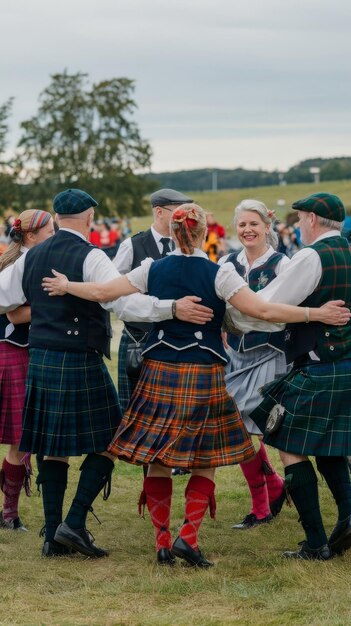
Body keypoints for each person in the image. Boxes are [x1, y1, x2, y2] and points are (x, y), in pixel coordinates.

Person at [42, 202, 349, 567]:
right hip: (203, 372)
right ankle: (188, 539)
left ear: (172, 232)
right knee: (204, 459)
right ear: (206, 232)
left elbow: (103, 293)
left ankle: (162, 543)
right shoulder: (219, 273)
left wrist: (66, 285)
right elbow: (262, 312)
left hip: (158, 370)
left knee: (157, 456)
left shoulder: (151, 267)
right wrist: (316, 314)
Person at [0, 189, 214, 558]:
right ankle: (74, 523)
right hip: (80, 357)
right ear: (87, 217)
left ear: (56, 217)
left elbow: (4, 299)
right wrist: (171, 308)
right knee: (113, 442)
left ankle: (53, 537)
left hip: (41, 358)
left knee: (53, 449)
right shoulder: (91, 254)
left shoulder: (31, 256)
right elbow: (120, 300)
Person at [231, 192, 351, 560]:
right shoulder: (348, 250)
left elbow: (266, 307)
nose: (298, 225)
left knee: (288, 444)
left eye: (300, 218)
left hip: (317, 363)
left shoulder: (311, 257)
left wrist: (232, 313)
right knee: (331, 449)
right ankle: (348, 517)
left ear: (312, 219)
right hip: (345, 363)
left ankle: (315, 543)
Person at [219, 199, 290, 529]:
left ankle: (271, 497)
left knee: (266, 427)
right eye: (242, 224)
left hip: (270, 354)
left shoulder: (281, 264)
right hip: (235, 355)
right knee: (236, 427)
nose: (247, 230)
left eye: (253, 224)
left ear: (266, 227)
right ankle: (268, 494)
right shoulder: (227, 262)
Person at [112, 188, 193, 414]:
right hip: (138, 339)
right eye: (179, 212)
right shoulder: (132, 245)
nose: (184, 218)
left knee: (173, 409)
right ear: (159, 212)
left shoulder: (188, 246)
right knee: (133, 409)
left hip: (178, 338)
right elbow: (114, 292)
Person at [0, 209, 55, 531]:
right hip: (12, 352)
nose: (54, 237)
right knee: (21, 438)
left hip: (18, 352)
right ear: (31, 237)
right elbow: (17, 316)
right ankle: (9, 513)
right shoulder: (20, 264)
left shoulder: (20, 259)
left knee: (22, 439)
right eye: (50, 232)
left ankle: (9, 511)